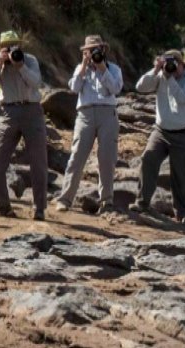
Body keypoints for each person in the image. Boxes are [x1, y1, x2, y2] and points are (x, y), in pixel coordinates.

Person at [52, 35, 123, 214]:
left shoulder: (113, 69)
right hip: (85, 114)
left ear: (104, 50)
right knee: (76, 157)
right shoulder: (80, 69)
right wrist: (84, 66)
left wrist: (102, 69)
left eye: (96, 50)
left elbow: (115, 89)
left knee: (107, 159)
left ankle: (107, 201)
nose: (94, 54)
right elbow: (74, 88)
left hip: (107, 113)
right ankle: (65, 199)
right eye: (90, 50)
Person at [0, 30, 48, 220]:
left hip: (32, 110)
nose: (10, 50)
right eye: (6, 47)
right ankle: (3, 207)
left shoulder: (30, 60)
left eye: (13, 46)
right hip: (8, 112)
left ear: (20, 46)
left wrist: (20, 66)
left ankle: (39, 208)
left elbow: (36, 83)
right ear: (1, 48)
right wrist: (0, 64)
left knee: (39, 162)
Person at [132, 49, 185, 224]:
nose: (171, 68)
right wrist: (155, 70)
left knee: (183, 175)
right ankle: (142, 203)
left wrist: (169, 78)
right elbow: (140, 87)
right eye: (168, 64)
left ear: (183, 64)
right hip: (161, 130)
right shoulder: (161, 74)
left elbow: (183, 98)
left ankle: (184, 213)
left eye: (175, 65)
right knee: (148, 159)